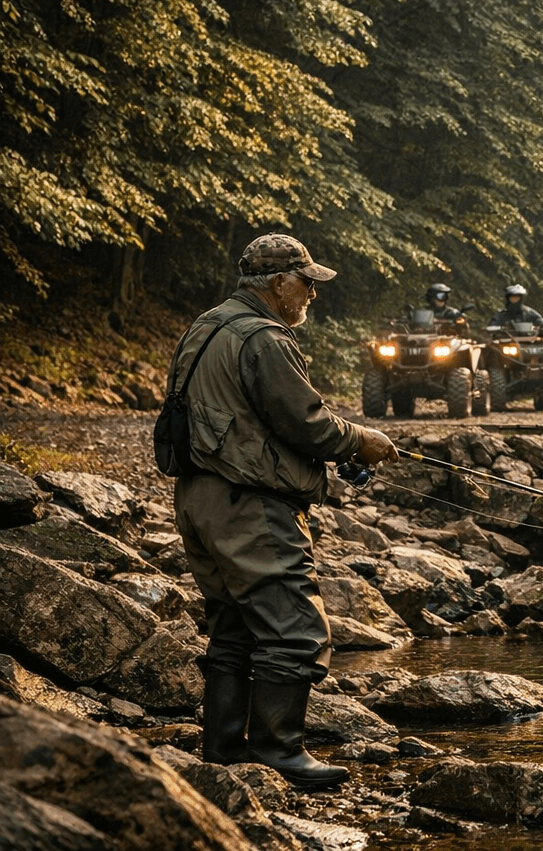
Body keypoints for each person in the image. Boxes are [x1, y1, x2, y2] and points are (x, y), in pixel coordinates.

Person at [169, 234, 398, 790]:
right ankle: (277, 752)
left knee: (235, 627)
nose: (311, 297)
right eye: (306, 284)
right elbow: (306, 423)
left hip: (199, 498)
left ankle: (222, 750)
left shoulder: (208, 324)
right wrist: (361, 440)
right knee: (294, 630)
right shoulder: (264, 338)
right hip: (250, 504)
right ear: (278, 283)